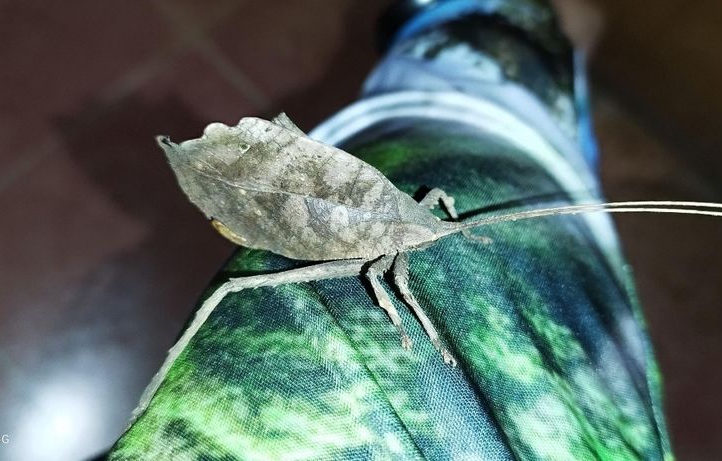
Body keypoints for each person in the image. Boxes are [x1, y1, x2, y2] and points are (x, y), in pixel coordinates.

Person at [110, 0, 673, 459]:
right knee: (238, 286)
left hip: (352, 207)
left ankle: (476, 46)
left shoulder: (422, 215)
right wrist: (421, 335)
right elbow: (391, 286)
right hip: (322, 221)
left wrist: (454, 227)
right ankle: (494, 55)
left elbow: (437, 202)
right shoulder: (400, 247)